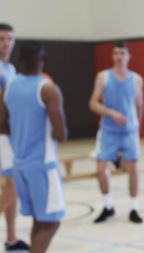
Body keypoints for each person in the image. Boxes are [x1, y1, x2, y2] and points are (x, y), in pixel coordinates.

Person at [0, 41, 67, 253]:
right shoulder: (48, 89)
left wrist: (22, 130)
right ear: (43, 59)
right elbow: (60, 133)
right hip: (42, 166)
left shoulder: (10, 86)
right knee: (51, 223)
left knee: (39, 220)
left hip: (19, 165)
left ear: (19, 60)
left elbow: (2, 125)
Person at [89, 41, 144, 224]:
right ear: (112, 56)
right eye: (116, 53)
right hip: (108, 130)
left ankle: (134, 208)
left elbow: (140, 105)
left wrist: (136, 127)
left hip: (129, 131)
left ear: (128, 56)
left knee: (133, 169)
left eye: (122, 53)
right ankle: (108, 206)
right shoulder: (103, 77)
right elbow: (93, 103)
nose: (119, 56)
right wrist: (110, 112)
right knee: (101, 169)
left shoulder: (136, 79)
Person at [0, 23, 30, 253]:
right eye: (1, 39)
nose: (6, 43)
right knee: (15, 185)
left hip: (11, 135)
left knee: (11, 186)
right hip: (2, 135)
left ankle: (11, 239)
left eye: (9, 38)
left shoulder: (10, 69)